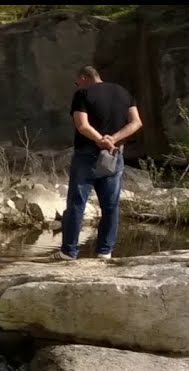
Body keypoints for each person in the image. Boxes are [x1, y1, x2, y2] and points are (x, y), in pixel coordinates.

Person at [57, 65, 142, 260]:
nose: (77, 85)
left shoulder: (83, 94)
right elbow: (136, 122)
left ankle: (68, 252)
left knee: (77, 203)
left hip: (88, 154)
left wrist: (100, 140)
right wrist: (113, 139)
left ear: (85, 78)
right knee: (111, 205)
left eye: (77, 81)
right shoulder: (124, 93)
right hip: (114, 154)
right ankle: (105, 252)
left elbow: (82, 125)